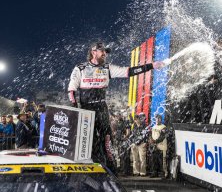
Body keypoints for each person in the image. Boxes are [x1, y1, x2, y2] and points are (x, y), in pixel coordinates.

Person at [68, 42, 163, 170]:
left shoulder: (107, 68)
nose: (105, 54)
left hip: (101, 108)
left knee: (107, 140)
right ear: (93, 52)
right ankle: (87, 167)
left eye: (106, 52)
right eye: (102, 51)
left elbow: (130, 71)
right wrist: (75, 110)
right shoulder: (80, 68)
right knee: (86, 140)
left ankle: (111, 168)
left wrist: (151, 65)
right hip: (86, 110)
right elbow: (71, 90)